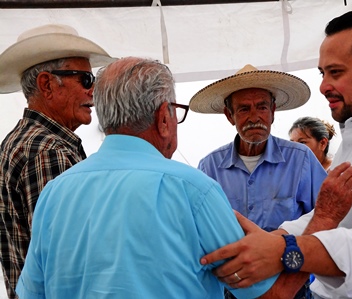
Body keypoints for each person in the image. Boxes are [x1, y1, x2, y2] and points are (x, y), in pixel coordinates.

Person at [199, 8, 352, 298]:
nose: (323, 86)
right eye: (322, 73)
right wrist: (272, 240)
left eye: (336, 72)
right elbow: (328, 216)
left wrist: (283, 250)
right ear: (230, 116)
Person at [15, 57, 278, 298]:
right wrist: (307, 238)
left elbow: (32, 293)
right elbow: (263, 293)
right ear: (164, 117)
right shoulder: (194, 189)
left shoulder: (54, 193)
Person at [189, 64, 328, 298]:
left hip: (291, 286)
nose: (255, 117)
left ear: (273, 111)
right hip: (232, 290)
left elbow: (327, 218)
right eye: (244, 109)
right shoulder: (209, 167)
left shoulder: (301, 159)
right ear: (229, 115)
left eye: (262, 107)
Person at [0, 24, 115, 299]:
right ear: (47, 84)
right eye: (85, 79)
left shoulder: (25, 141)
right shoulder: (47, 150)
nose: (93, 90)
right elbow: (65, 264)